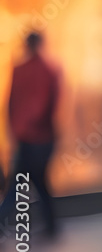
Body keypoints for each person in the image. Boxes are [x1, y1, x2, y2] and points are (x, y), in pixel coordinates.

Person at [0, 32, 60, 238]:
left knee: (22, 183)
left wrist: (16, 129)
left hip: (30, 137)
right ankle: (51, 225)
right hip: (38, 137)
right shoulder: (48, 71)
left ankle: (49, 225)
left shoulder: (28, 70)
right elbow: (47, 105)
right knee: (32, 181)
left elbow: (12, 104)